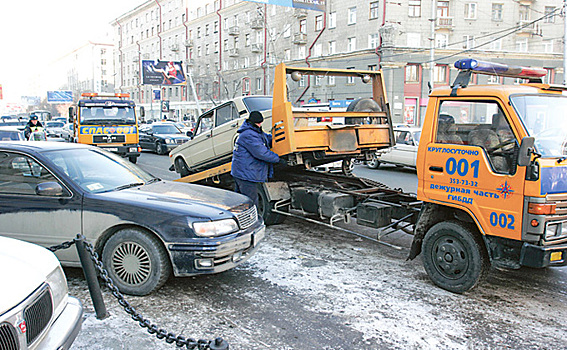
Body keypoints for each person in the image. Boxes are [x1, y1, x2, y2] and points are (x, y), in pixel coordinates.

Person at [231, 111, 283, 207]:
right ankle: (251, 221)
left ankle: (241, 219)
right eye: (258, 123)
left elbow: (266, 138)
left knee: (241, 201)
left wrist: (278, 137)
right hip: (246, 174)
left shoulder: (254, 131)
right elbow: (261, 153)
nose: (260, 125)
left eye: (260, 123)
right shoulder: (248, 134)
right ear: (252, 122)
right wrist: (278, 159)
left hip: (243, 172)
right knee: (250, 202)